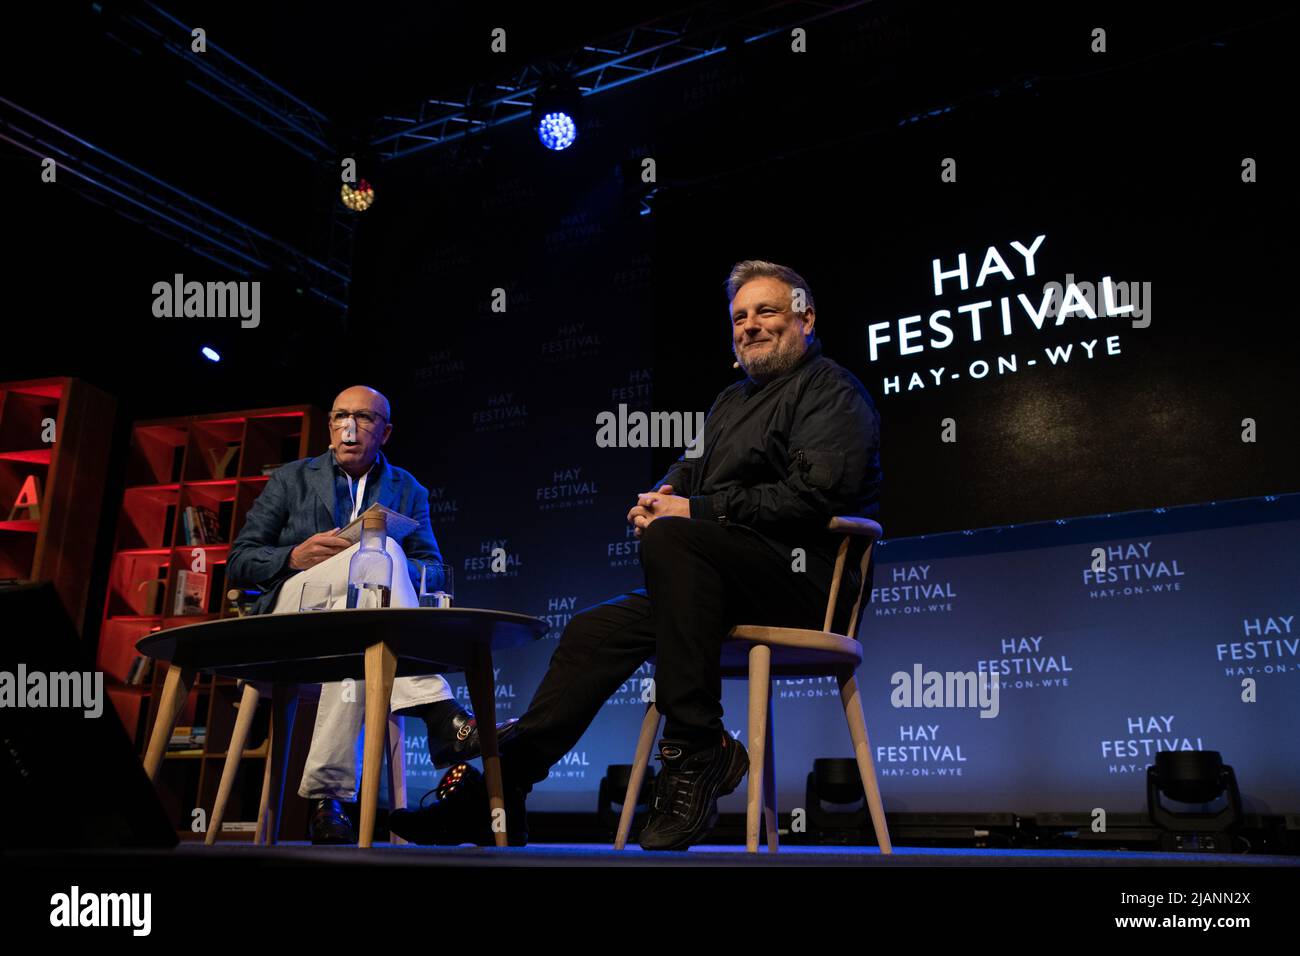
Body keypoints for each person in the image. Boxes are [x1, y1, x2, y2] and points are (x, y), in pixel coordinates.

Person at [390, 260, 883, 850]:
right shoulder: (730, 402)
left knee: (675, 538)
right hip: (716, 583)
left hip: (804, 581)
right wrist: (663, 497)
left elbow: (814, 496)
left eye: (767, 311)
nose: (750, 326)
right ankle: (500, 792)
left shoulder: (832, 390)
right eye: (739, 317)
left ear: (805, 318)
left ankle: (695, 747)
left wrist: (689, 515)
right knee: (594, 629)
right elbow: (687, 470)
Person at [228, 385, 479, 844]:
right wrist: (294, 555)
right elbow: (240, 561)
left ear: (385, 432)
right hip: (295, 610)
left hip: (357, 630)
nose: (350, 428)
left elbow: (436, 571)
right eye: (341, 416)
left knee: (375, 572)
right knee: (375, 554)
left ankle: (329, 802)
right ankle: (440, 712)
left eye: (363, 418)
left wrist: (388, 557)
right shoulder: (290, 479)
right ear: (329, 426)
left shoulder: (408, 488)